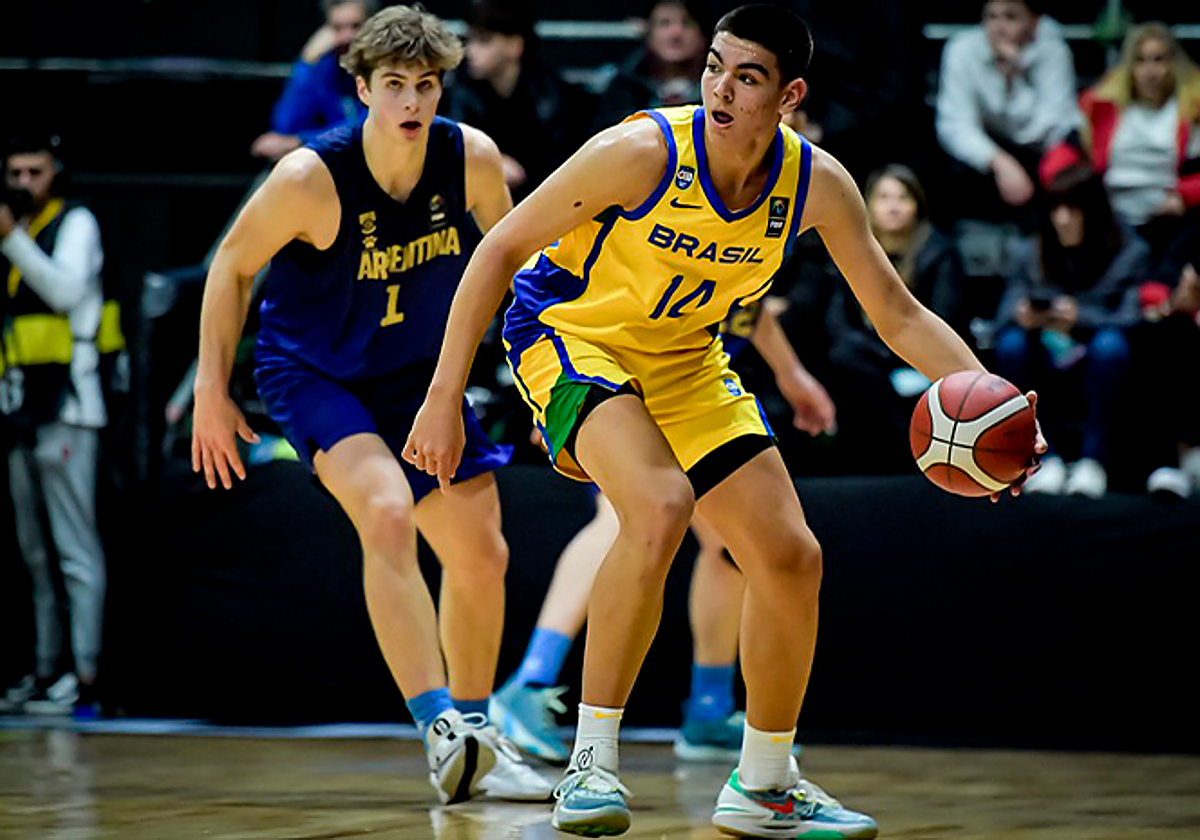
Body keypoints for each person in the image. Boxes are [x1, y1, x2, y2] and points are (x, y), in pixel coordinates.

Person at [406, 5, 1040, 836]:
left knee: (791, 555)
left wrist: (995, 404)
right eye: (714, 65)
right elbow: (498, 250)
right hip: (571, 337)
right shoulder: (640, 150)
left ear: (790, 94)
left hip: (684, 357)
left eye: (746, 76)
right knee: (660, 506)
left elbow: (897, 311)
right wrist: (444, 391)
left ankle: (765, 783)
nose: (720, 87)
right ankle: (590, 765)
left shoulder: (816, 182)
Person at [191, 6, 549, 805]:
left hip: (418, 376)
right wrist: (212, 390)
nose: (413, 103)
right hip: (315, 373)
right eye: (395, 86)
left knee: (482, 552)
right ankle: (439, 729)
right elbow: (230, 267)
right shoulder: (310, 176)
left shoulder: (473, 161)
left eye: (426, 85)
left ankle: (479, 735)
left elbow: (522, 271)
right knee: (387, 510)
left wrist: (544, 377)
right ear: (361, 89)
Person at [490, 303, 836, 766]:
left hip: (696, 381)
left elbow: (748, 298)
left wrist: (791, 373)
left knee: (729, 548)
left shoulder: (757, 238)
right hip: (616, 372)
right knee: (622, 518)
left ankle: (710, 705)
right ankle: (529, 683)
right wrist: (548, 387)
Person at [0, 134, 110, 715]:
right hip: (19, 408)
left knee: (73, 549)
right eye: (13, 172)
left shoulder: (75, 224)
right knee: (34, 553)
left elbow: (66, 292)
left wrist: (12, 239)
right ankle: (45, 670)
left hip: (68, 407)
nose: (23, 183)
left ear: (55, 170)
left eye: (33, 170)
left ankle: (84, 673)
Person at [994, 163, 1149, 498]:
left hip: (1100, 348)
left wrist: (1080, 318)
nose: (1063, 218)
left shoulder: (1128, 250)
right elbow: (1004, 312)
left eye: (1073, 208)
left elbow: (1134, 318)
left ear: (1093, 210)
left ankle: (1093, 460)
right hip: (1044, 346)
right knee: (1010, 343)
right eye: (1056, 208)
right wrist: (1024, 316)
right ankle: (1044, 457)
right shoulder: (1030, 250)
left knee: (1111, 346)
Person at [822, 164, 968, 475]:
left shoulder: (939, 252)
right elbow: (836, 322)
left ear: (917, 205)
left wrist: (898, 346)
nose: (893, 206)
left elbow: (944, 318)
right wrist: (879, 349)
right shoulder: (850, 248)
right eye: (884, 197)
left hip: (919, 355)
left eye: (903, 198)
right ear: (868, 205)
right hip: (870, 355)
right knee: (842, 358)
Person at [935, 0, 1081, 224]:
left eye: (1011, 17)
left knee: (1066, 167)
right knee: (957, 169)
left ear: (1034, 22)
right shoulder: (962, 50)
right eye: (991, 17)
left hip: (1038, 153)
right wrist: (999, 161)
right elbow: (955, 126)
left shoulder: (1054, 53)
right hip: (988, 153)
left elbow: (1051, 129)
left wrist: (1014, 76)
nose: (998, 27)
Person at [440, 0, 595, 199]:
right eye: (469, 40)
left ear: (514, 45)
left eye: (484, 41)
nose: (470, 51)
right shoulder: (461, 90)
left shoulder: (554, 99)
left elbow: (563, 164)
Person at [1076, 22, 1200, 268]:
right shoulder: (1103, 107)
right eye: (1140, 60)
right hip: (1110, 216)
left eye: (1158, 60)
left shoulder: (1191, 110)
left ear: (1174, 64)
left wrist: (1184, 197)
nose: (1150, 71)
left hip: (1167, 219)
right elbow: (1070, 154)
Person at [250, 0, 376, 162]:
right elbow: (285, 127)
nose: (346, 37)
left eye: (355, 26)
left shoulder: (384, 70)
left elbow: (366, 127)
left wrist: (300, 141)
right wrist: (307, 62)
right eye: (337, 28)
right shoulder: (325, 69)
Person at [589, 0, 711, 133]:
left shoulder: (721, 90)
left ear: (702, 34)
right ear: (648, 33)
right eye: (664, 23)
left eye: (687, 23)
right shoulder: (623, 89)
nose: (676, 33)